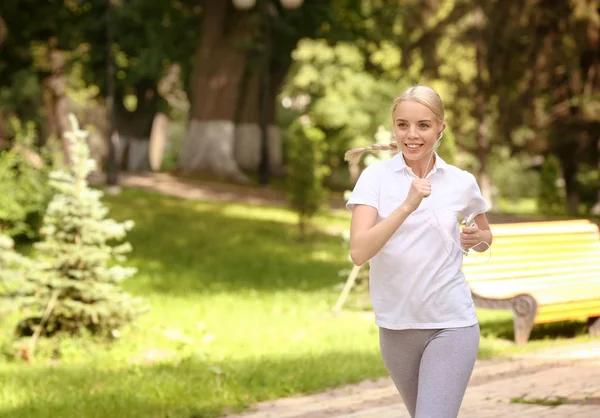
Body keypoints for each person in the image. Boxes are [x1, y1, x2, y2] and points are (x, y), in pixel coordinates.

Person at [345, 84, 493, 418]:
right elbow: (358, 251)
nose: (412, 135)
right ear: (394, 127)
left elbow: (485, 236)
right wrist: (406, 206)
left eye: (423, 125)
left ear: (441, 128)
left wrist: (476, 237)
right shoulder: (375, 179)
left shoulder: (460, 181)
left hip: (452, 322)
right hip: (397, 327)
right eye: (403, 125)